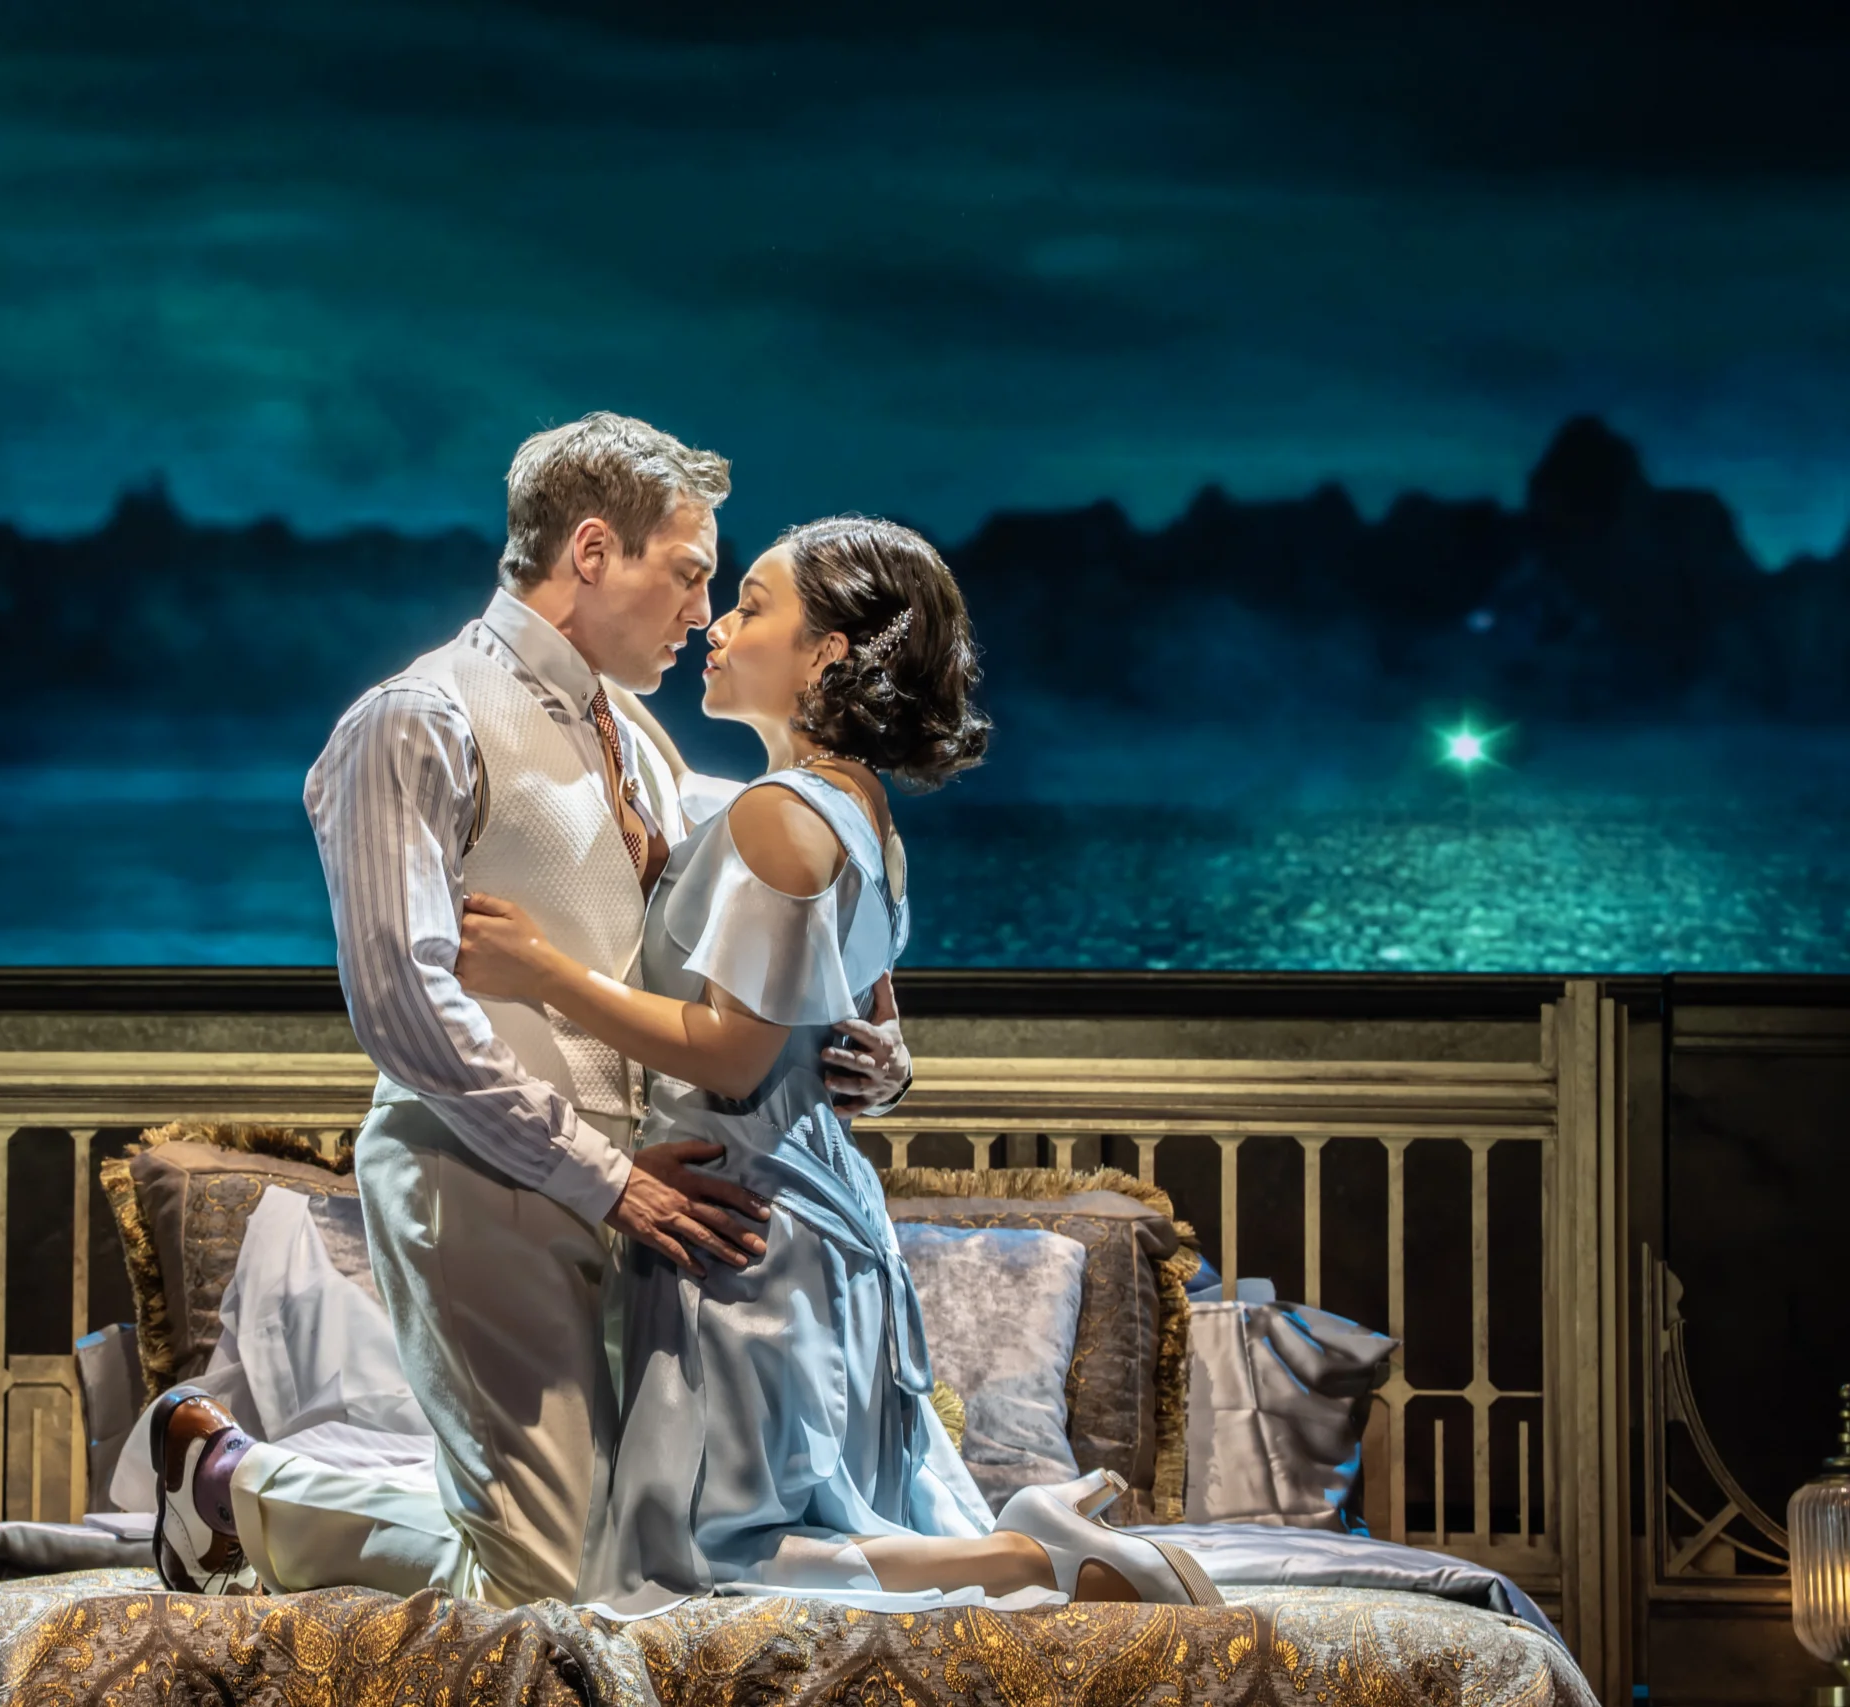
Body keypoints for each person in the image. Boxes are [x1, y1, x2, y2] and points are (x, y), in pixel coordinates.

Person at [140, 414, 914, 1602]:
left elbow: (801, 881)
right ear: (593, 552)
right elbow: (405, 1010)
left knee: (637, 1548)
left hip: (638, 1193)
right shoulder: (415, 719)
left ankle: (241, 1486)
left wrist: (868, 1039)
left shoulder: (640, 736)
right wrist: (609, 1179)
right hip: (480, 1176)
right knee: (557, 1585)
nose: (702, 611)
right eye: (690, 572)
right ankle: (238, 1488)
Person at [452, 515, 1221, 1612]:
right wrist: (883, 1059)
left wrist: (542, 973)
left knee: (718, 1554)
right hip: (819, 1208)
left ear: (829, 654)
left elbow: (731, 1053)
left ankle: (1029, 1557)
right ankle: (1026, 1546)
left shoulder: (779, 818)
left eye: (752, 605)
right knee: (789, 1518)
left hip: (750, 1216)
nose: (718, 625)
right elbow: (855, 1020)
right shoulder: (853, 813)